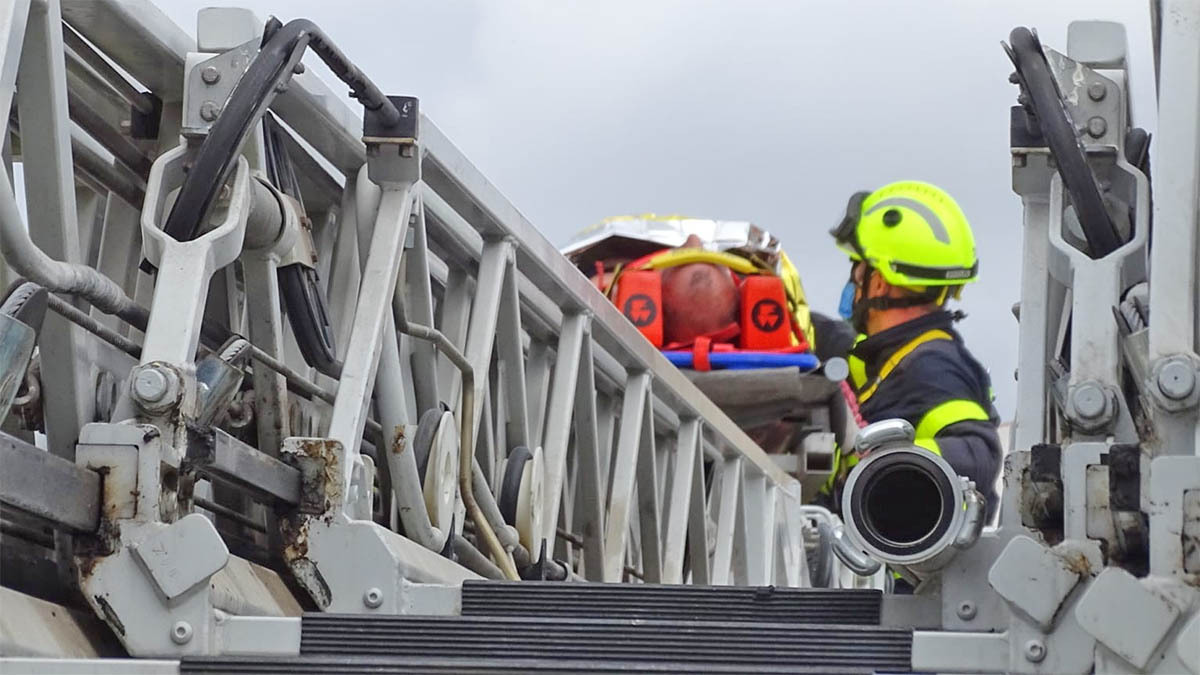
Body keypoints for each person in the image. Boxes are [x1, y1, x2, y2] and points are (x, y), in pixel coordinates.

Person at [823, 180, 1002, 518]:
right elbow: (846, 352)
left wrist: (876, 466)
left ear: (879, 281)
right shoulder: (894, 357)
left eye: (857, 269)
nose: (852, 282)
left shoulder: (931, 366)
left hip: (903, 570)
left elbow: (977, 456)